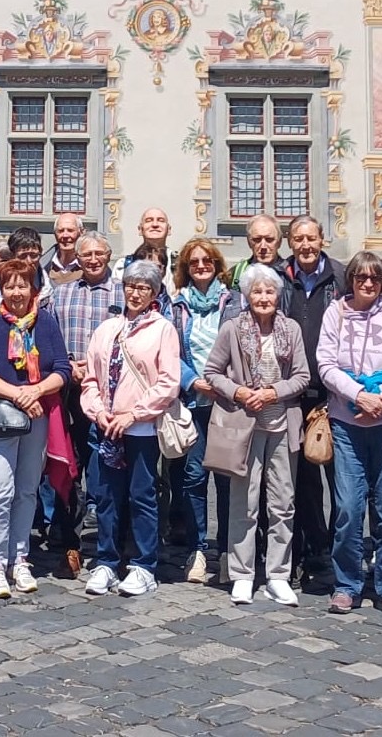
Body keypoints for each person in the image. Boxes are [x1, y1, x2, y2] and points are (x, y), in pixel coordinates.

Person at [317, 251, 382, 618]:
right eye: (361, 277)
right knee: (348, 507)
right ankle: (347, 584)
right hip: (347, 423)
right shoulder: (335, 313)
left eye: (375, 279)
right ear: (351, 280)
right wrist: (357, 396)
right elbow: (326, 364)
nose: (368, 284)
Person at [204, 263, 310, 605]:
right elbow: (212, 371)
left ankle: (278, 574)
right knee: (244, 502)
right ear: (247, 296)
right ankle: (242, 573)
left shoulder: (290, 329)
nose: (263, 297)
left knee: (283, 503)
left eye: (269, 291)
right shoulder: (233, 328)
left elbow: (302, 377)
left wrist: (274, 392)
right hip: (244, 425)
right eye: (257, 292)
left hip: (281, 424)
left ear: (278, 296)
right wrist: (237, 391)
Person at [81, 260, 180, 598]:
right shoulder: (107, 329)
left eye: (144, 288)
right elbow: (91, 379)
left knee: (142, 496)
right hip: (107, 427)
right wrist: (98, 412)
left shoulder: (162, 329)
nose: (136, 293)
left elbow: (167, 383)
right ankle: (106, 561)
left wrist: (133, 415)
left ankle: (143, 565)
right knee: (107, 497)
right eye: (131, 286)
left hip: (142, 429)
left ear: (153, 293)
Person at [0, 260, 71, 597]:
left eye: (22, 285)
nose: (15, 292)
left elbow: (61, 368)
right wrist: (19, 394)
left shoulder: (46, 323)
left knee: (27, 489)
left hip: (38, 415)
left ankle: (20, 557)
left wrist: (36, 391)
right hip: (1, 416)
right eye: (9, 286)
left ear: (34, 289)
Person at [50, 231, 122, 576]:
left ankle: (112, 543)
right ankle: (71, 542)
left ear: (109, 255)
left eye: (99, 253)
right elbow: (48, 340)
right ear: (77, 258)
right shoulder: (60, 295)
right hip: (70, 393)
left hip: (113, 395)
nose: (93, 259)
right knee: (71, 466)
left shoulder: (124, 293)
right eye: (87, 254)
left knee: (109, 467)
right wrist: (69, 364)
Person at [168, 238, 236, 583]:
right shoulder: (177, 305)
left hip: (227, 405)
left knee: (225, 479)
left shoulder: (232, 302)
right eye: (193, 262)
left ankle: (225, 552)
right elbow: (170, 351)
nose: (200, 266)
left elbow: (242, 346)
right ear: (185, 268)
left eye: (206, 260)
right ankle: (197, 549)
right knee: (194, 478)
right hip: (194, 403)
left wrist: (223, 383)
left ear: (216, 263)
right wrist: (193, 381)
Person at [279, 216, 341, 594]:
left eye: (311, 238)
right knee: (300, 482)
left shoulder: (341, 276)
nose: (305, 244)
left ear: (322, 239)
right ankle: (308, 553)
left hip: (334, 394)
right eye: (298, 239)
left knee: (341, 482)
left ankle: (336, 551)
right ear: (290, 242)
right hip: (292, 394)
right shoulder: (279, 277)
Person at [231, 214, 283, 286]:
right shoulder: (236, 274)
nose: (263, 246)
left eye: (269, 240)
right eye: (257, 240)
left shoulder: (291, 273)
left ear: (279, 242)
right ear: (249, 242)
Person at [39, 211, 85, 280]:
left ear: (81, 233)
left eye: (70, 230)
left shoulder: (90, 267)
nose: (65, 235)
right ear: (55, 234)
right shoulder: (41, 267)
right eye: (60, 231)